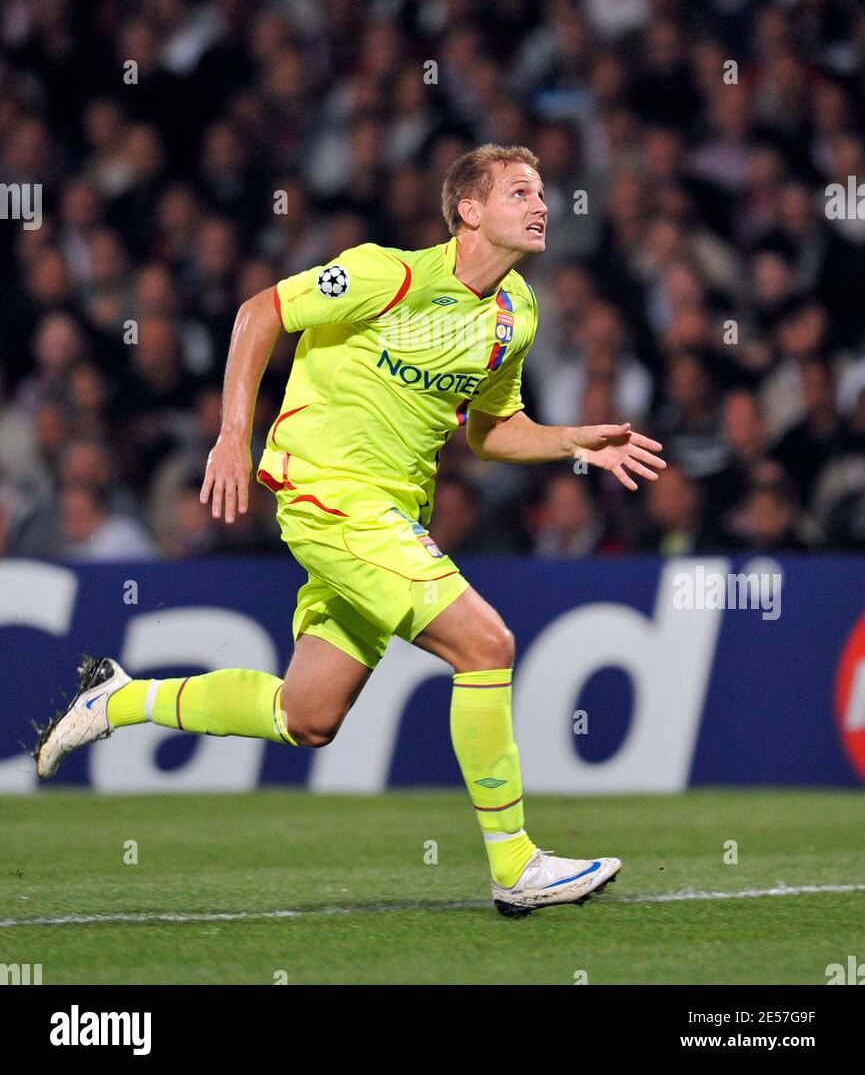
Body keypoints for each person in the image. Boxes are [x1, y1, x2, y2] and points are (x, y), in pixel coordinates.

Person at [33, 144, 665, 916]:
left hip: (393, 516)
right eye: (520, 192)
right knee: (487, 644)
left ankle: (117, 700)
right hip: (327, 492)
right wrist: (234, 432)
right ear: (469, 211)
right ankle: (515, 866)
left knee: (306, 716)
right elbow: (258, 311)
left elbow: (492, 431)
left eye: (542, 193)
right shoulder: (387, 273)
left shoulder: (514, 314)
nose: (541, 205)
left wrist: (570, 441)